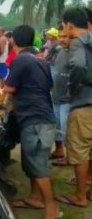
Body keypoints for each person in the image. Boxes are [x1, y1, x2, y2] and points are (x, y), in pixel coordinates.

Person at [3, 25, 60, 219]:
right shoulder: (40, 60)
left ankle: (51, 208)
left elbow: (8, 88)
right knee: (33, 161)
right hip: (42, 117)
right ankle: (35, 198)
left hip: (35, 119)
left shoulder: (21, 60)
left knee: (38, 163)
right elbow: (47, 86)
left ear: (14, 41)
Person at [55, 8, 92, 208]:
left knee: (79, 151)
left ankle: (80, 196)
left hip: (84, 104)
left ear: (69, 25)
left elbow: (77, 65)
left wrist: (74, 86)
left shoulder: (78, 42)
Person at [50, 24, 71, 166]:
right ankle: (59, 150)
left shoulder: (78, 53)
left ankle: (71, 157)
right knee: (56, 125)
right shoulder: (60, 51)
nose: (62, 40)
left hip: (68, 99)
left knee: (67, 129)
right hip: (56, 95)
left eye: (65, 37)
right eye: (60, 36)